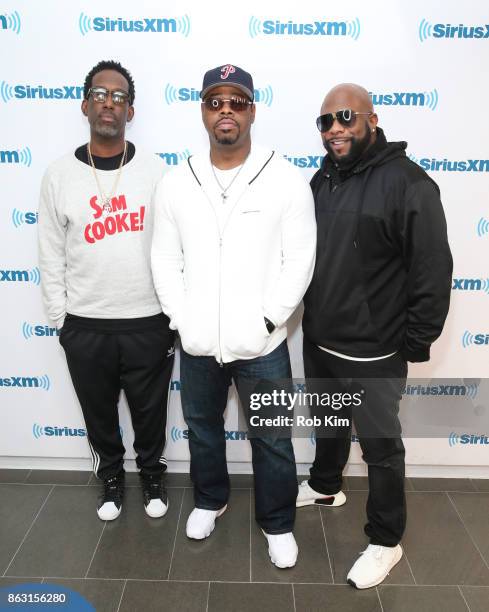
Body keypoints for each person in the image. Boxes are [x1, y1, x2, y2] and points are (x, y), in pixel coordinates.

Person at [151, 64, 316, 568]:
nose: (226, 110)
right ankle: (209, 499)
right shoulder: (178, 180)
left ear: (252, 111)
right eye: (216, 101)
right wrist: (182, 319)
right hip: (198, 342)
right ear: (203, 110)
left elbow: (299, 260)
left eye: (237, 101)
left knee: (271, 437)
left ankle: (278, 523)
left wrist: (269, 322)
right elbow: (164, 257)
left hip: (262, 345)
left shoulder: (284, 178)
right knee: (202, 428)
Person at [298, 83, 452, 588]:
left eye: (345, 117)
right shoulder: (323, 179)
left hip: (374, 349)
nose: (335, 128)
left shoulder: (408, 183)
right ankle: (326, 486)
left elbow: (432, 269)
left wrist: (412, 342)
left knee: (381, 449)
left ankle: (386, 540)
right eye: (326, 121)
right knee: (328, 421)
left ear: (372, 119)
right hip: (321, 337)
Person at [38, 60, 175, 521]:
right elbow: (49, 253)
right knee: (99, 417)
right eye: (100, 94)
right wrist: (63, 322)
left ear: (130, 111)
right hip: (86, 324)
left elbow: (175, 249)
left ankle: (153, 475)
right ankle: (112, 480)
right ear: (85, 105)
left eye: (118, 97)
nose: (109, 104)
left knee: (151, 414)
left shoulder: (156, 173)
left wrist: (170, 316)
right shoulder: (59, 175)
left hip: (147, 321)